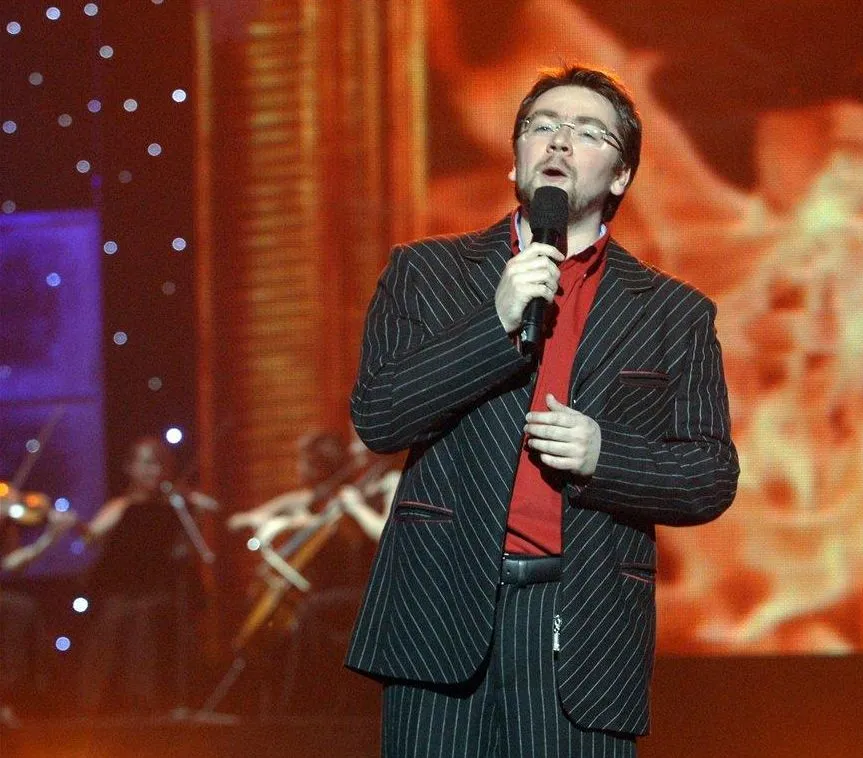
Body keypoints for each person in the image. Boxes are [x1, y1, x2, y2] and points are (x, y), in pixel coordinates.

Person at [345, 65, 739, 756]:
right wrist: (491, 325)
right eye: (541, 126)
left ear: (620, 176)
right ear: (515, 159)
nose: (558, 141)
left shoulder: (673, 313)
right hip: (438, 609)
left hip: (581, 628)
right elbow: (379, 417)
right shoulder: (425, 274)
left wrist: (604, 455)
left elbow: (709, 476)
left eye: (587, 132)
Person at [226, 431, 396, 715]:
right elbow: (315, 513)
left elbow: (386, 534)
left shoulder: (392, 481)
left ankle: (309, 705)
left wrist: (355, 508)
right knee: (307, 610)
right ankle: (289, 705)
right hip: (353, 587)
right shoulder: (363, 484)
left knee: (311, 610)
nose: (354, 448)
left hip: (377, 587)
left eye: (358, 441)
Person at [76, 437, 218, 716]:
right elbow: (91, 535)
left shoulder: (175, 505)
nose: (153, 471)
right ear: (130, 468)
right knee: (127, 617)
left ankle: (162, 701)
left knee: (156, 613)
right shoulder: (121, 506)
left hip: (162, 592)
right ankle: (122, 703)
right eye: (146, 463)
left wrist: (190, 501)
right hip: (121, 593)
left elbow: (211, 511)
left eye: (159, 465)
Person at [1, 490, 77, 727]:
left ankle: (19, 696)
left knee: (23, 609)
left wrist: (52, 533)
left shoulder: (8, 524)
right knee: (18, 609)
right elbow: (11, 565)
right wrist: (50, 537)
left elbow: (11, 563)